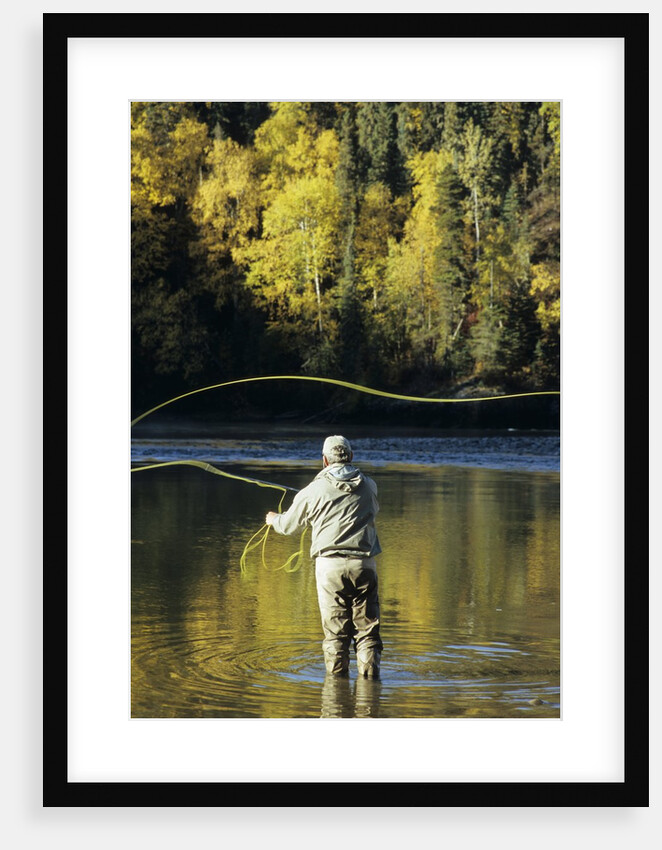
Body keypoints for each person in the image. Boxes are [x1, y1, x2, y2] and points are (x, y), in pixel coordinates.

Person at [265, 435, 383, 679]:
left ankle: (336, 691)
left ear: (325, 460)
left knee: (336, 634)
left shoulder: (313, 490)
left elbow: (288, 526)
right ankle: (370, 687)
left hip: (330, 568)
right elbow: (373, 509)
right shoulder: (370, 485)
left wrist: (274, 519)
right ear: (351, 456)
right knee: (367, 632)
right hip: (365, 565)